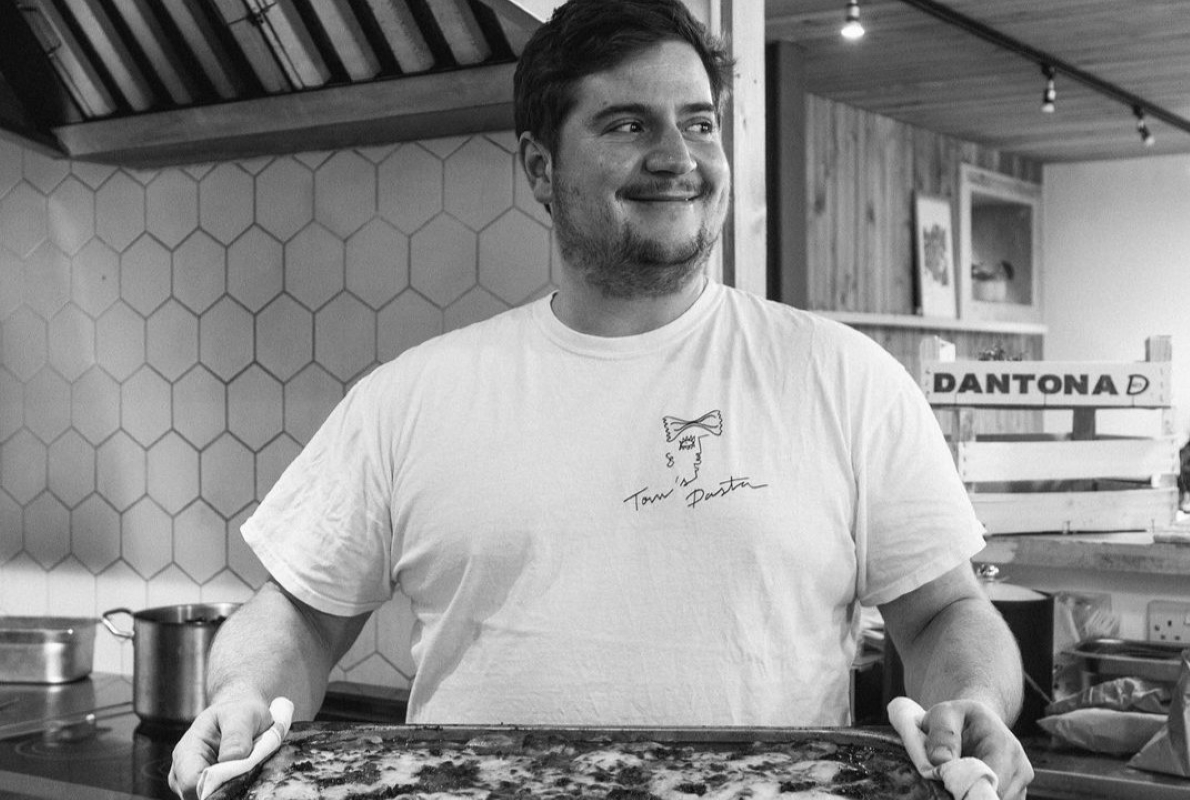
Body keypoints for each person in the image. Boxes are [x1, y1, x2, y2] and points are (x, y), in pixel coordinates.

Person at [169, 1, 1033, 798]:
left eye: (699, 122)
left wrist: (974, 700)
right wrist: (245, 692)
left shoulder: (845, 378)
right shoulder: (411, 398)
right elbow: (297, 616)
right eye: (629, 124)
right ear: (541, 168)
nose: (678, 156)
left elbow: (944, 613)